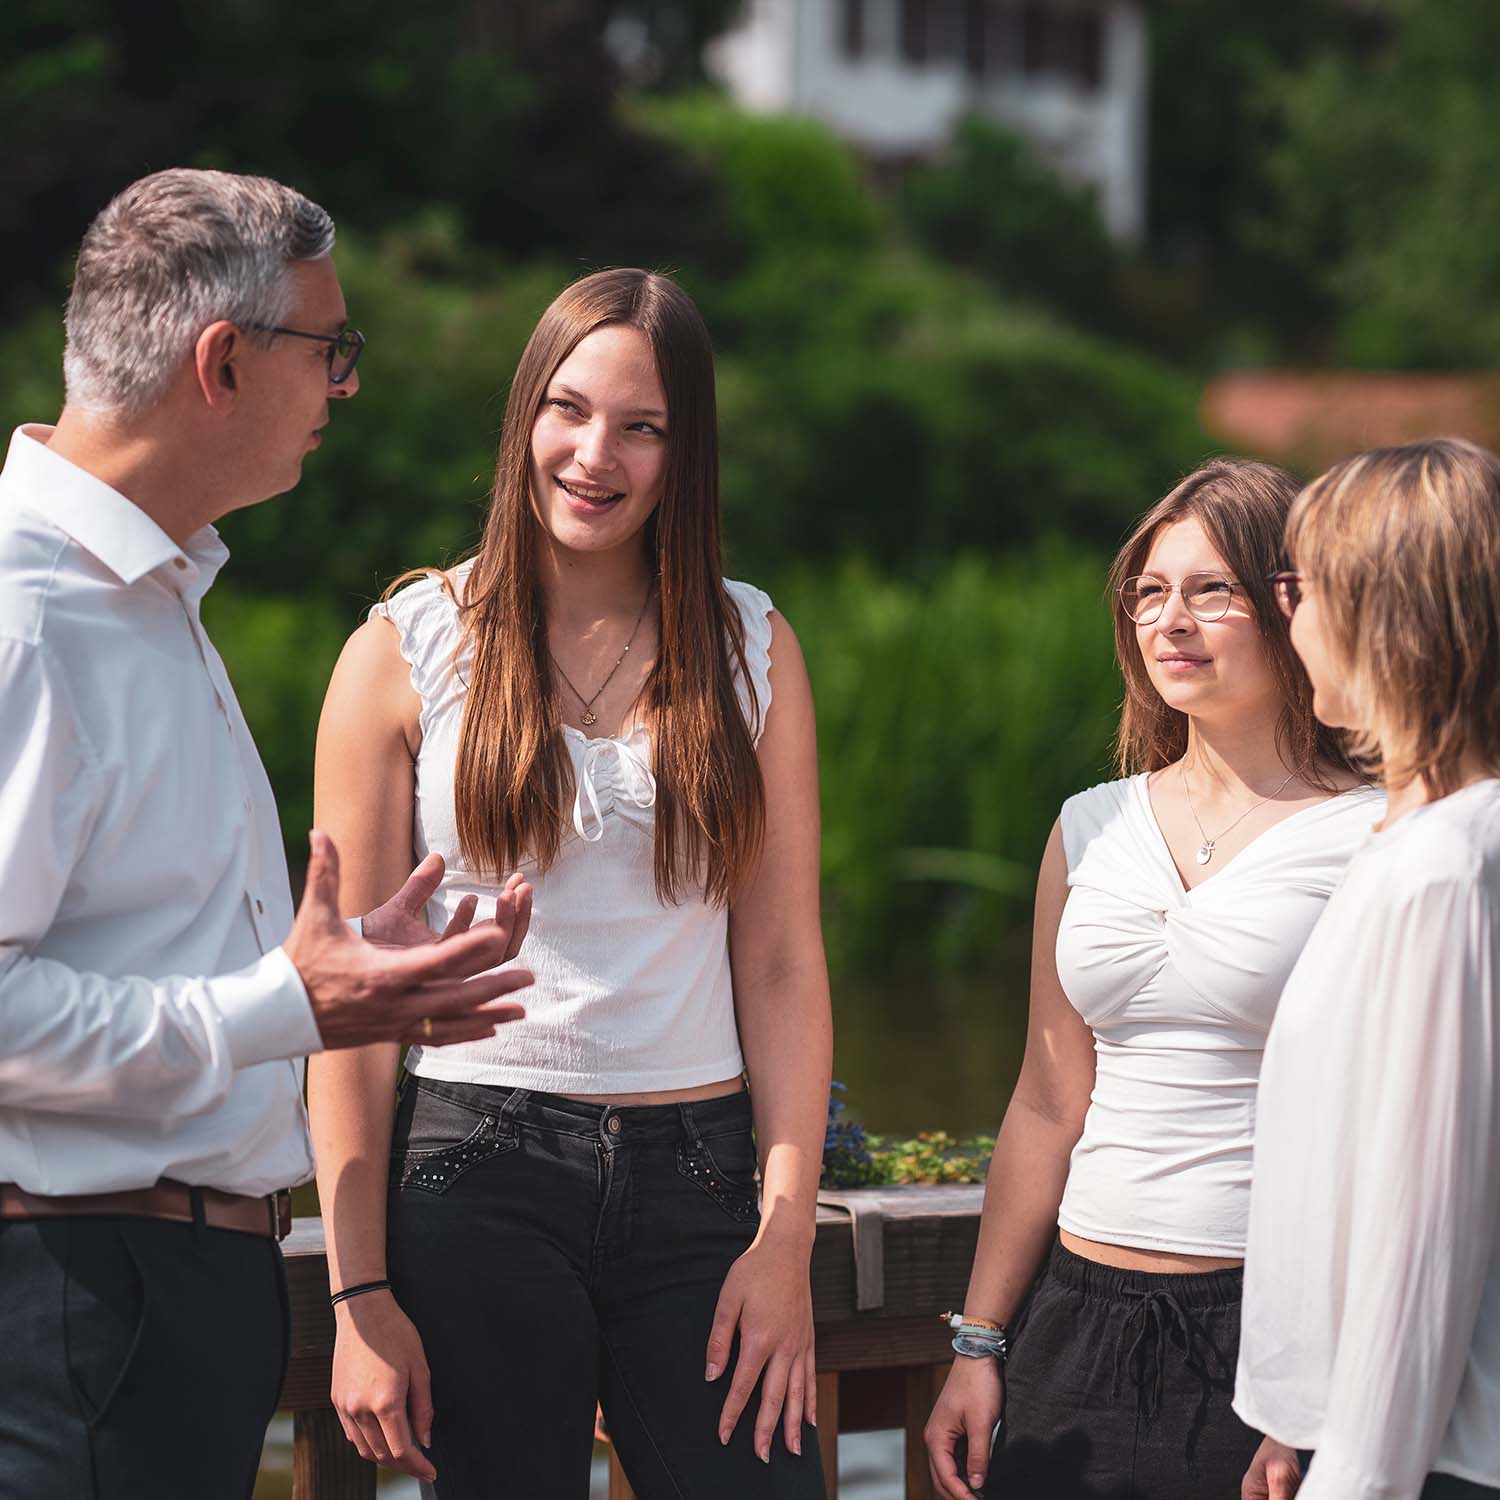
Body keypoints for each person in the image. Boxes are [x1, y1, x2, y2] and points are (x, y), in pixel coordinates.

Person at [0, 168, 535, 1500]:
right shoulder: (31, 620)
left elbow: (136, 938)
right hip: (82, 1297)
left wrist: (347, 985)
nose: (344, 386)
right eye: (330, 350)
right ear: (223, 363)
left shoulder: (141, 595)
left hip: (157, 1298)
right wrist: (279, 1005)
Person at [308, 267, 832, 1498]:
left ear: (684, 449)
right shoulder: (407, 646)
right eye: (569, 408)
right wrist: (358, 1288)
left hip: (705, 1179)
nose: (596, 454)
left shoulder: (752, 643)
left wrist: (785, 1230)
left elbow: (782, 960)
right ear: (523, 419)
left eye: (642, 426)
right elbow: (349, 1001)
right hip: (472, 1169)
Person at [924, 458, 1383, 1500]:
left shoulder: (1375, 831)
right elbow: (1048, 1099)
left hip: (1265, 1335)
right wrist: (979, 1340)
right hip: (1073, 1318)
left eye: (1210, 589)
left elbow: (1386, 1133)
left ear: (1292, 604)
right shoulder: (1090, 824)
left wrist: (1323, 1395)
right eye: (1149, 591)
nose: (1170, 619)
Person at [1236, 438, 1500, 1500]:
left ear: (1383, 611)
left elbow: (1421, 1236)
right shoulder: (1415, 842)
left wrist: (1354, 1479)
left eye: (1300, 587)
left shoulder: (1447, 867)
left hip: (1430, 1463)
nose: (1287, 617)